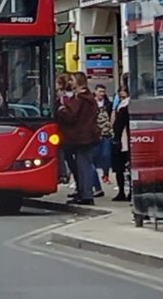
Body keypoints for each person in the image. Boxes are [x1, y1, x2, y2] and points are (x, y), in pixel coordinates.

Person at [55, 72, 100, 205]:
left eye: (73, 80)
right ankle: (83, 193)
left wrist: (62, 109)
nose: (70, 83)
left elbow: (71, 116)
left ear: (79, 82)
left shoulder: (80, 99)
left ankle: (85, 194)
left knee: (83, 166)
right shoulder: (88, 98)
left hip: (81, 137)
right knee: (82, 165)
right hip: (87, 135)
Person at [111, 89, 131, 202]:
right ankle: (128, 192)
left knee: (120, 169)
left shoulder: (123, 107)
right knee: (127, 168)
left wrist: (115, 139)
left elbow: (117, 125)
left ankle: (122, 191)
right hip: (126, 139)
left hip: (123, 140)